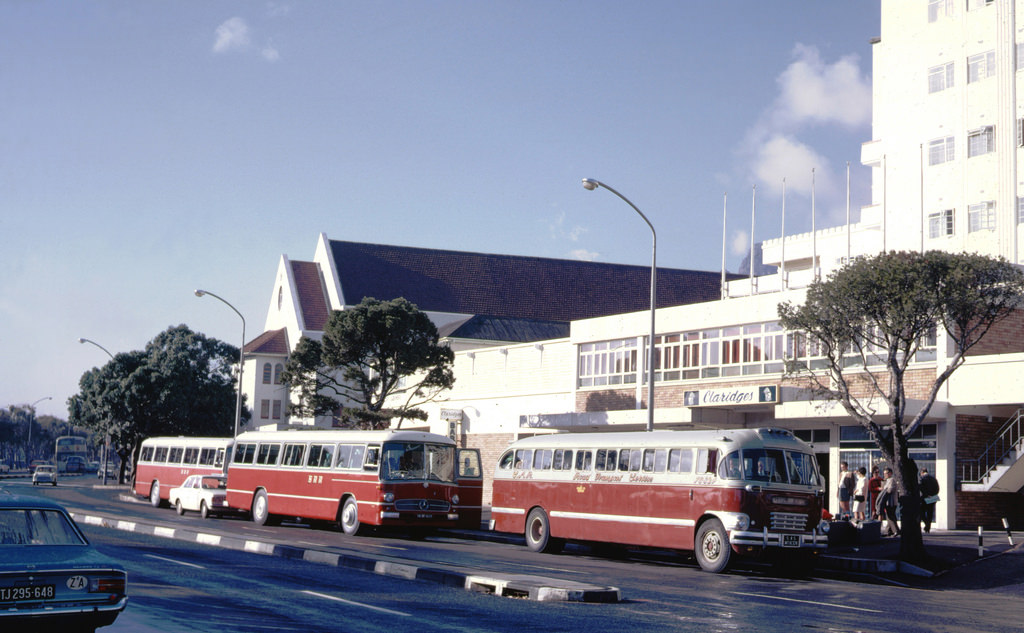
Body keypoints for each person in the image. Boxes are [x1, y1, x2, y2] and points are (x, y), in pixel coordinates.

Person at [876, 467, 901, 536]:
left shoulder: (892, 480)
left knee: (890, 516)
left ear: (890, 473)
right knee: (889, 516)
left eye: (886, 473)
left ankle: (896, 531)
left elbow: (889, 490)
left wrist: (884, 490)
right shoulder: (887, 480)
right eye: (884, 473)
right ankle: (889, 531)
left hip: (891, 502)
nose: (885, 475)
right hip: (888, 502)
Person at [919, 468, 940, 533]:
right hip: (933, 497)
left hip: (925, 497)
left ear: (922, 472)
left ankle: (927, 525)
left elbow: (921, 487)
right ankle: (928, 527)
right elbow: (937, 488)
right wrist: (933, 494)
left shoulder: (922, 478)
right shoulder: (933, 478)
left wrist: (926, 494)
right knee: (930, 513)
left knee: (921, 512)